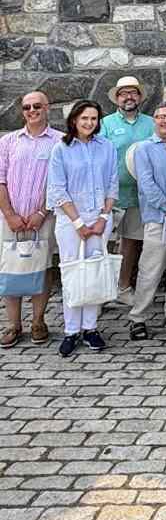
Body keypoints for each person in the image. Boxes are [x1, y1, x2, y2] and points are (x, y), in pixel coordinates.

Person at [46, 100, 118, 358]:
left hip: (99, 219)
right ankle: (71, 330)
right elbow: (57, 189)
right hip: (70, 221)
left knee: (94, 271)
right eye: (85, 118)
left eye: (94, 119)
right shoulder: (61, 149)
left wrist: (102, 216)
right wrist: (78, 223)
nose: (89, 123)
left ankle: (90, 328)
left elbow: (112, 183)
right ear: (74, 120)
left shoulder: (106, 147)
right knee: (73, 273)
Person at [0, 90, 61, 347]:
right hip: (9, 217)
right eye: (27, 107)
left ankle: (38, 321)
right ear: (22, 111)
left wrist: (40, 213)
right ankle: (13, 324)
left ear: (47, 107)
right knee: (10, 268)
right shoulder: (8, 141)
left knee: (42, 267)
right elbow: (0, 179)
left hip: (42, 218)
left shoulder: (60, 141)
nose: (32, 111)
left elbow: (59, 182)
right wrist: (10, 214)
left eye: (37, 106)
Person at [128, 102, 166, 340]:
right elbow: (146, 184)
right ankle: (138, 318)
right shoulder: (143, 149)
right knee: (150, 271)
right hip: (158, 219)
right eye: (161, 117)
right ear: (154, 120)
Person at [100, 75, 154, 306]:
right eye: (123, 93)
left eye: (133, 92)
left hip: (139, 196)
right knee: (102, 244)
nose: (128, 97)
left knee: (131, 242)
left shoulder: (151, 123)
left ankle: (123, 287)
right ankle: (100, 292)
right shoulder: (106, 124)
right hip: (109, 196)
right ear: (117, 99)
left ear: (139, 97)